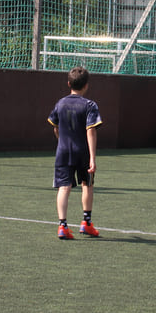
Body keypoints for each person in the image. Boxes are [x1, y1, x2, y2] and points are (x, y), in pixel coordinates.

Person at [47, 66, 102, 239]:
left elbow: (55, 127)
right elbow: (90, 131)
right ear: (86, 85)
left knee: (64, 187)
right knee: (87, 184)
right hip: (83, 151)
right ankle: (86, 223)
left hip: (63, 151)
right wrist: (93, 157)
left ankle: (62, 226)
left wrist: (61, 142)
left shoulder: (60, 103)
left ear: (68, 83)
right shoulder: (90, 105)